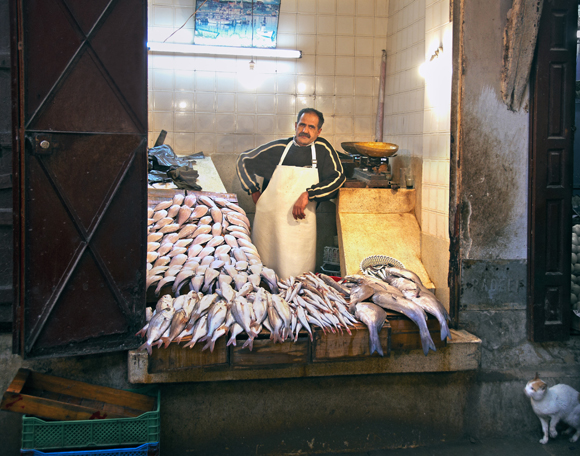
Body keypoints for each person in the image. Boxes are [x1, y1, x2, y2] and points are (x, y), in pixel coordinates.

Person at [236, 108, 346, 279]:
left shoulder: (323, 149)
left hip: (299, 224)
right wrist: (253, 190)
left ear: (319, 131)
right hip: (269, 224)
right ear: (295, 126)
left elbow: (338, 178)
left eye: (311, 127)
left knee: (297, 275)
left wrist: (308, 194)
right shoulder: (279, 148)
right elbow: (243, 160)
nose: (305, 130)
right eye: (302, 125)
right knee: (264, 273)